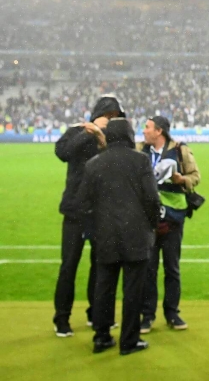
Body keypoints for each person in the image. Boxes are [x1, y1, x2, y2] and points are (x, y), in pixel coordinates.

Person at [75, 117, 161, 355]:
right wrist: (151, 226)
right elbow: (152, 199)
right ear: (129, 135)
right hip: (136, 234)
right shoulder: (140, 161)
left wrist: (94, 230)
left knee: (104, 288)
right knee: (133, 291)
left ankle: (101, 337)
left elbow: (83, 203)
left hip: (105, 235)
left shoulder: (94, 164)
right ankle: (129, 341)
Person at [52, 94, 124, 337]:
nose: (112, 120)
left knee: (100, 267)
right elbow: (62, 152)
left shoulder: (113, 138)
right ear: (98, 114)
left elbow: (118, 163)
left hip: (101, 212)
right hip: (74, 211)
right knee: (68, 266)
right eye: (109, 116)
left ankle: (97, 314)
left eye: (116, 117)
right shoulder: (76, 130)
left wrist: (103, 140)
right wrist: (89, 132)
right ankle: (62, 318)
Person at [139, 115, 201, 333]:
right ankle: (147, 315)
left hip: (174, 217)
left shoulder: (180, 150)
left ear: (159, 131)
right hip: (148, 217)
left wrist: (181, 180)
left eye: (147, 127)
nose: (144, 131)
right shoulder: (140, 150)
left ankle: (172, 313)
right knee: (149, 268)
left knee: (172, 268)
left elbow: (195, 176)